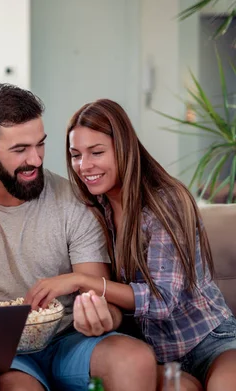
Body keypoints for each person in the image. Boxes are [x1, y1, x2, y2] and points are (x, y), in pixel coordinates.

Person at [0, 83, 158, 391]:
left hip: (72, 340)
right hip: (4, 354)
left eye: (40, 145)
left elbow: (101, 296)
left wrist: (106, 318)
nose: (35, 160)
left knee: (135, 358)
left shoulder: (73, 199)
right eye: (20, 150)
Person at [28, 98, 236, 390]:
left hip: (210, 340)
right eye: (76, 155)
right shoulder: (94, 209)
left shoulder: (166, 202)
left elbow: (162, 300)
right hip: (158, 354)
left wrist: (78, 280)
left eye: (96, 152)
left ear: (123, 148)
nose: (84, 166)